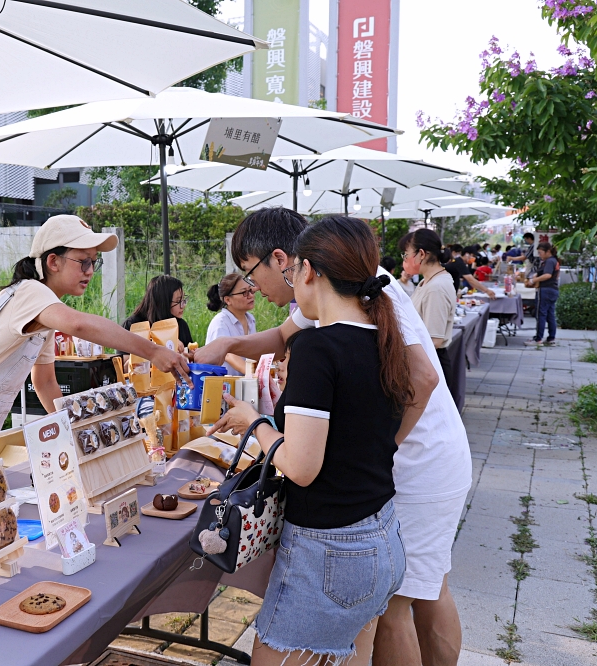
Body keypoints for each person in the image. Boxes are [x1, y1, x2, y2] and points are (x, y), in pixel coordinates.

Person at [195, 207, 472, 666]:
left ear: (293, 264)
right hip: (374, 509)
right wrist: (224, 345)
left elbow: (422, 379)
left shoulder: (341, 315)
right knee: (387, 610)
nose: (251, 287)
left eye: (250, 273)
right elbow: (283, 338)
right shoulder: (348, 296)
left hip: (416, 469)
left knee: (407, 603)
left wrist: (375, 447)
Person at [0, 215, 189, 447]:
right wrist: (151, 350)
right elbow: (79, 324)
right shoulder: (31, 292)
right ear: (53, 261)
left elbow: (45, 382)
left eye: (93, 262)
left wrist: (70, 430)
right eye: (83, 261)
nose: (89, 271)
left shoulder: (45, 313)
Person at [401, 230, 459, 408]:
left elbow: (434, 340)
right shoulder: (428, 282)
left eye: (406, 254)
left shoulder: (436, 287)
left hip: (430, 363)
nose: (404, 260)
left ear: (421, 254)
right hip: (424, 361)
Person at [123, 275, 194, 349]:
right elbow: (122, 358)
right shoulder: (133, 325)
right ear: (163, 302)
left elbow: (190, 355)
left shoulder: (181, 325)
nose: (183, 305)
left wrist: (187, 354)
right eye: (178, 301)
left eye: (183, 299)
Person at [205, 273, 257, 374]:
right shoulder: (220, 322)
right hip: (223, 386)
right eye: (244, 293)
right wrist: (254, 374)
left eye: (250, 290)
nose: (250, 295)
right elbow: (227, 354)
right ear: (228, 300)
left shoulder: (250, 320)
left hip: (244, 383)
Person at [524, 242, 560, 346]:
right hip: (553, 290)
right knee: (550, 315)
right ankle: (551, 338)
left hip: (545, 290)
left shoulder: (549, 261)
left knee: (541, 314)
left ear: (548, 251)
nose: (539, 255)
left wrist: (533, 280)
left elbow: (547, 275)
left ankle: (538, 339)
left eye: (540, 253)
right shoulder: (554, 261)